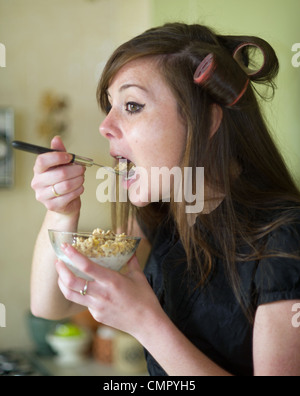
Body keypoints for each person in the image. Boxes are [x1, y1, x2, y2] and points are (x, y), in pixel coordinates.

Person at [30, 23, 300, 376]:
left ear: (204, 122)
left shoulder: (286, 239)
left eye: (131, 104)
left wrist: (145, 321)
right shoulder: (159, 218)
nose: (105, 125)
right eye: (110, 106)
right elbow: (50, 304)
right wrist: (61, 210)